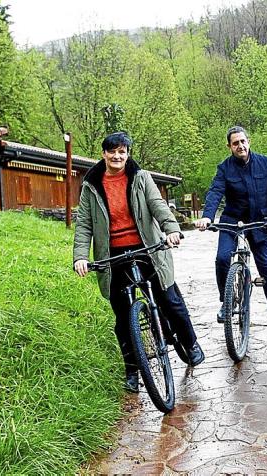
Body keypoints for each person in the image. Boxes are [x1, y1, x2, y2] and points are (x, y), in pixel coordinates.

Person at [73, 132, 204, 393]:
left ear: (128, 154)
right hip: (113, 256)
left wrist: (171, 229)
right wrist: (80, 256)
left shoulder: (141, 178)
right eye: (112, 151)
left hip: (147, 248)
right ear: (104, 154)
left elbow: (158, 205)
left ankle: (190, 343)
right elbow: (84, 224)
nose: (117, 156)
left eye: (122, 152)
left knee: (170, 300)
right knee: (123, 318)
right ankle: (132, 370)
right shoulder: (91, 185)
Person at [194, 126, 267, 333]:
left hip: (260, 221)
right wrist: (207, 216)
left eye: (243, 141)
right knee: (222, 258)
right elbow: (215, 191)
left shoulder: (266, 164)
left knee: (266, 268)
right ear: (229, 147)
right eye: (235, 143)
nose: (240, 146)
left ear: (248, 141)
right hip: (232, 220)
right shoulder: (224, 168)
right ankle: (226, 302)